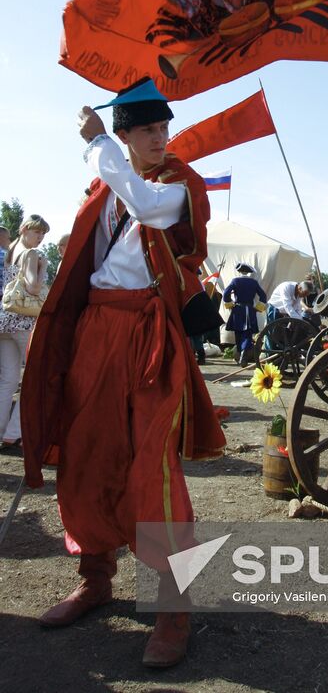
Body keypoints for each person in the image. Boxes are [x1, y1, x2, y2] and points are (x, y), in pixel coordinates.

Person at [20, 77, 225, 669]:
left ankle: (173, 606)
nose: (161, 138)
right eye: (148, 131)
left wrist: (95, 144)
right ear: (128, 134)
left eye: (164, 128)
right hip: (96, 331)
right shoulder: (103, 185)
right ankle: (95, 575)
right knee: (87, 453)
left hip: (147, 335)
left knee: (152, 467)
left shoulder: (179, 187)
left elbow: (142, 201)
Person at [0, 215, 50, 449]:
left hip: (5, 321)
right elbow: (33, 287)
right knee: (32, 379)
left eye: (42, 234)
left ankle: (3, 431)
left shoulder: (10, 251)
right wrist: (44, 268)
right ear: (24, 229)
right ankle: (14, 432)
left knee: (7, 380)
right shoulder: (31, 254)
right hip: (25, 322)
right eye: (37, 232)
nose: (40, 237)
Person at [222, 263, 267, 365]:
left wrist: (229, 304)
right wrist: (259, 308)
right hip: (250, 310)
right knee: (248, 334)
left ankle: (240, 354)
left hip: (237, 309)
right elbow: (263, 295)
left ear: (239, 271)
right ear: (249, 272)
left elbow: (226, 293)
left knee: (238, 332)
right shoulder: (254, 282)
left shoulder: (235, 281)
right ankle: (243, 354)